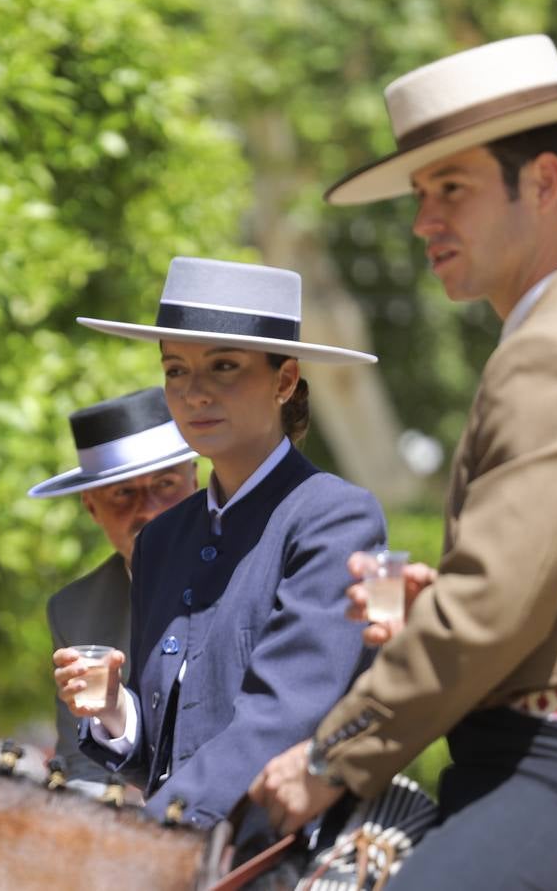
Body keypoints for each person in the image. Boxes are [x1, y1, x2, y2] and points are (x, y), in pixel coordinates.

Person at [249, 34, 557, 890]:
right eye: (419, 193)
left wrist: (328, 758)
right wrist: (436, 604)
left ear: (543, 182)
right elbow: (534, 594)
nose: (422, 221)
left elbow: (490, 610)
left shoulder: (555, 352)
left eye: (451, 187)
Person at [52, 256, 386, 839]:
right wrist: (116, 713)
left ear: (284, 381)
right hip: (186, 852)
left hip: (293, 852)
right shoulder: (160, 541)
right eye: (175, 370)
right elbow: (166, 754)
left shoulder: (335, 518)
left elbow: (280, 720)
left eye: (223, 366)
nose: (194, 392)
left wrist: (148, 837)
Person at [29, 387, 198, 794]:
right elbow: (80, 766)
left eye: (165, 483)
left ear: (195, 482)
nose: (149, 509)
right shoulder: (74, 610)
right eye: (123, 492)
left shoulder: (254, 564)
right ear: (91, 506)